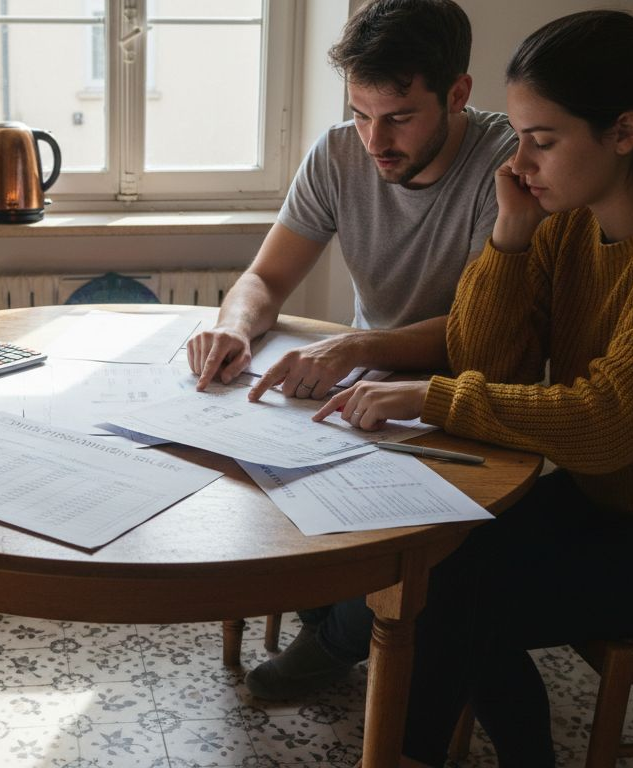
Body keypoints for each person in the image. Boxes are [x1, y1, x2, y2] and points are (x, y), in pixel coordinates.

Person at [314, 10, 633, 766]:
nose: (517, 161)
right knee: (438, 561)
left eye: (542, 140)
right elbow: (485, 361)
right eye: (519, 137)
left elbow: (612, 420)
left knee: (454, 598)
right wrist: (509, 236)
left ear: (624, 133)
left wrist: (429, 397)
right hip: (610, 504)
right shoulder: (562, 220)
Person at [187, 0, 516, 700]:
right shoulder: (340, 151)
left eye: (398, 116)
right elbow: (265, 278)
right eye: (361, 113)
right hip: (364, 383)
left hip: (471, 390)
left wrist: (353, 347)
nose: (374, 139)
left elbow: (479, 326)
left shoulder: (507, 166)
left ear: (457, 94)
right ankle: (336, 622)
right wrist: (236, 326)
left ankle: (335, 641)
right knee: (263, 476)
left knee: (414, 542)